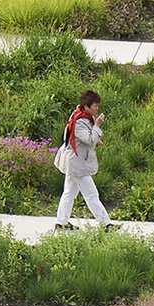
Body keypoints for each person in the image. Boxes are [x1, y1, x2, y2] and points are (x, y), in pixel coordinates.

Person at [55, 89, 109, 226]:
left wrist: (96, 139)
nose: (97, 108)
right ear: (86, 107)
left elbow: (85, 138)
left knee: (69, 193)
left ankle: (61, 223)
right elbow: (89, 139)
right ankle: (106, 224)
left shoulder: (80, 115)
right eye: (95, 106)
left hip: (74, 162)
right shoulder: (79, 122)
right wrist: (97, 126)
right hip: (77, 164)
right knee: (92, 195)